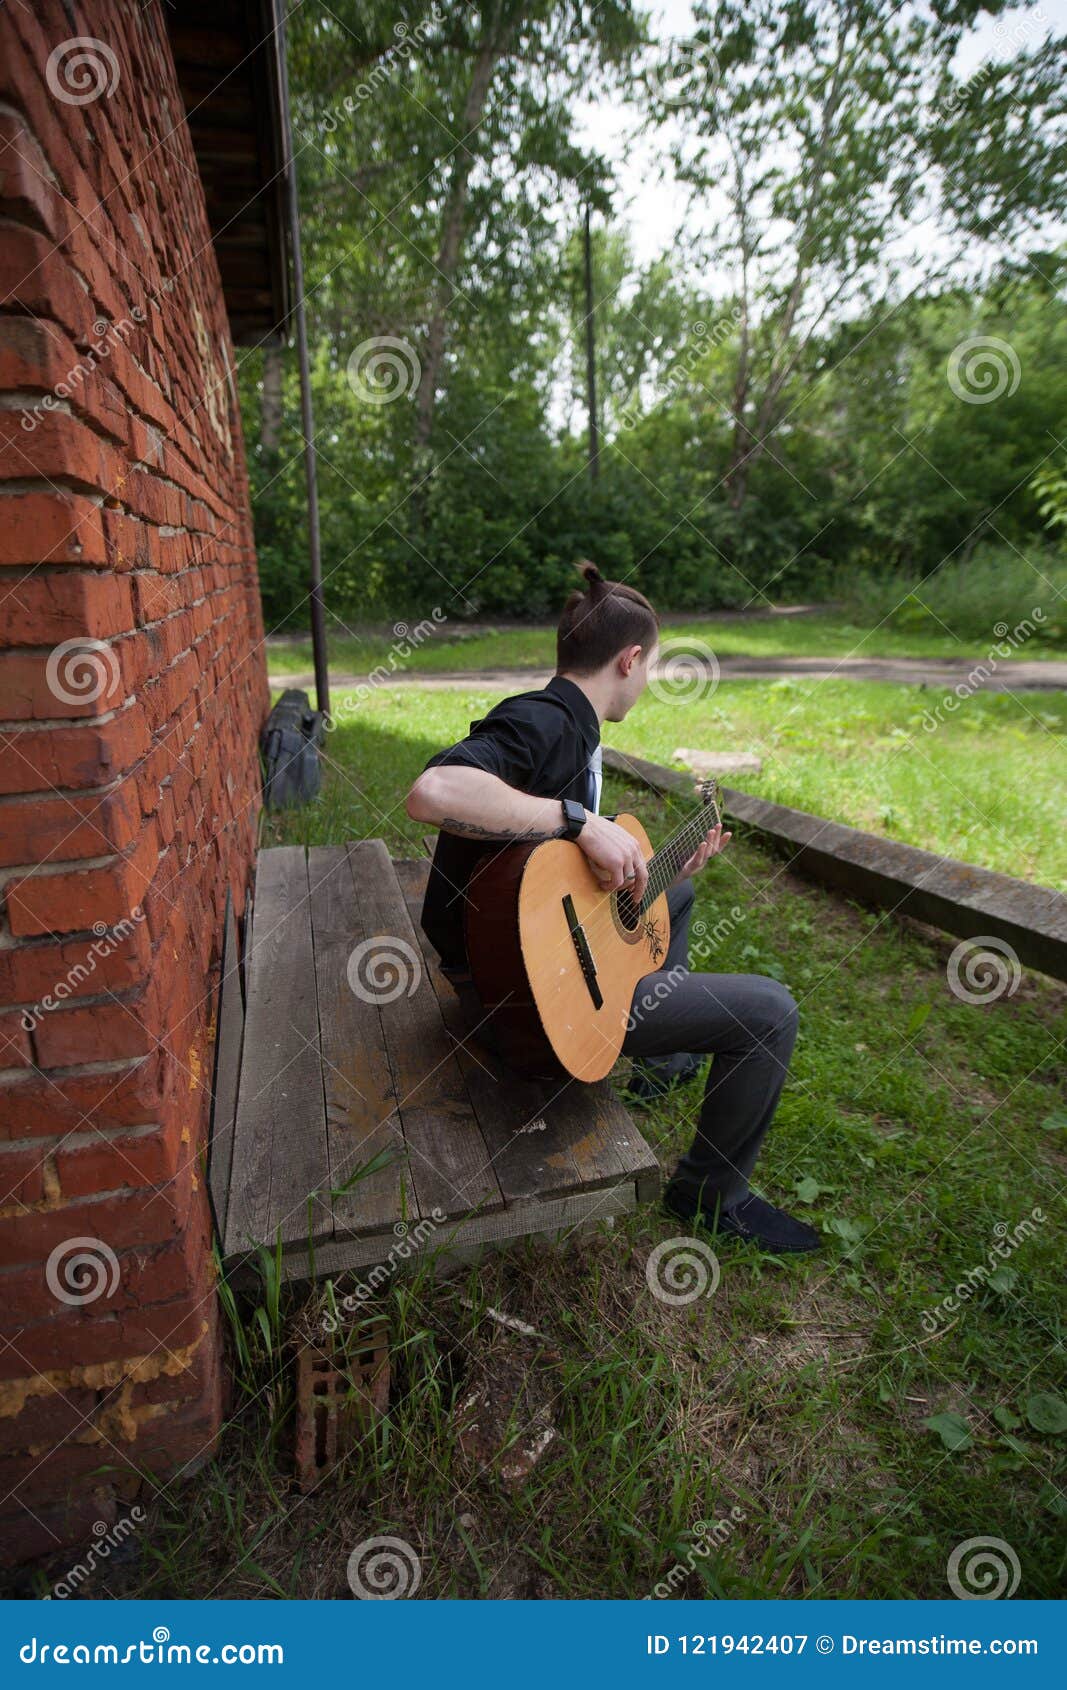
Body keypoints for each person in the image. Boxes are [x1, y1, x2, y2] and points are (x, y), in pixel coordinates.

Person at [405, 562, 819, 1253]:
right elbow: (434, 792)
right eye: (650, 666)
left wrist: (656, 866)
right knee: (769, 1013)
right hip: (518, 1003)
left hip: (514, 957)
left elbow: (550, 877)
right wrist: (577, 819)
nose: (649, 680)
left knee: (674, 892)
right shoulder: (542, 721)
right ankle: (710, 1196)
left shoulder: (573, 724)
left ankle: (667, 1060)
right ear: (629, 660)